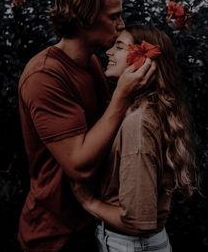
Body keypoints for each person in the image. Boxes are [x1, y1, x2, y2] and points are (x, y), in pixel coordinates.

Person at [18, 0, 155, 252]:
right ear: (86, 17)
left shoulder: (92, 63)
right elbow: (79, 165)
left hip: (92, 223)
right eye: (113, 16)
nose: (121, 24)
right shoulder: (45, 76)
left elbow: (107, 131)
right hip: (54, 237)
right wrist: (122, 94)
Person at [73, 25, 196, 252]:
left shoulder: (137, 122)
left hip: (131, 245)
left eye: (119, 46)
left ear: (143, 61)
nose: (108, 52)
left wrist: (88, 202)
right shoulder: (147, 110)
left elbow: (138, 221)